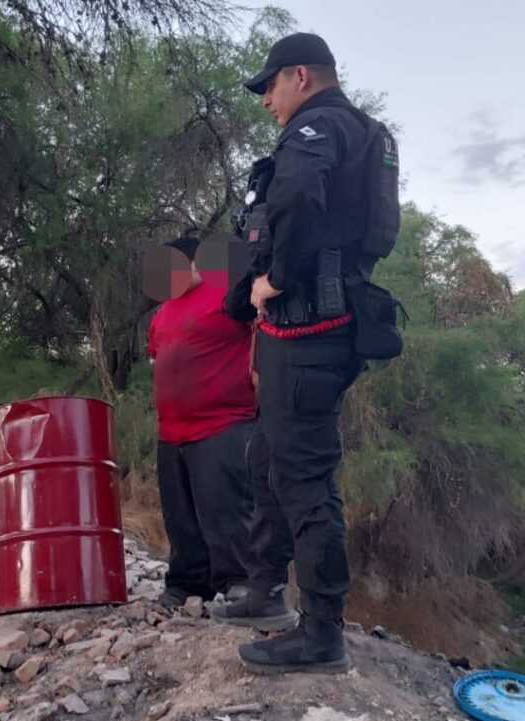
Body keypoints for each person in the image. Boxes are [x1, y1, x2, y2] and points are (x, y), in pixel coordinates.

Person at [213, 33, 400, 675]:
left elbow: (294, 202)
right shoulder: (365, 135)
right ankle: (263, 593)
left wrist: (276, 281)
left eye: (269, 86)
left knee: (304, 479)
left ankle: (321, 633)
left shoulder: (318, 129)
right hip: (315, 334)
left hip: (310, 333)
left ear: (301, 75)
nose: (266, 99)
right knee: (268, 456)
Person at [145, 235, 266, 612]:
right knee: (181, 516)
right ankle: (185, 585)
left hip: (224, 424)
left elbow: (261, 335)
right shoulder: (163, 312)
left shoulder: (230, 294)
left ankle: (240, 583)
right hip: (172, 433)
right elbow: (159, 356)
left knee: (226, 510)